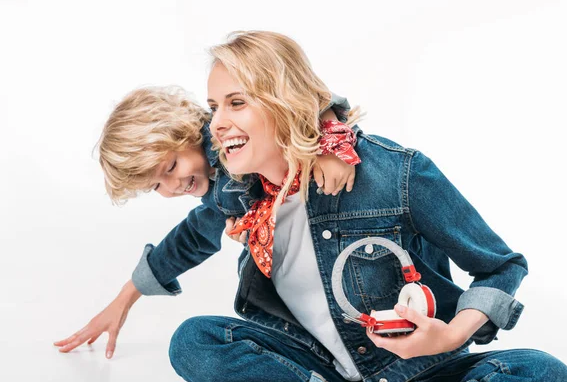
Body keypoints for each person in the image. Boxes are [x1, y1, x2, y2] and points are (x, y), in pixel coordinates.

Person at [159, 31, 567, 382]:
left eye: (237, 102)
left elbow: (501, 266)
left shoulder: (393, 173)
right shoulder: (239, 192)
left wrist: (450, 334)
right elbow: (188, 229)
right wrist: (128, 294)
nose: (218, 123)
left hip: (421, 372)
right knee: (193, 341)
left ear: (284, 102)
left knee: (543, 376)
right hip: (326, 379)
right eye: (214, 107)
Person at [53, 85, 358, 358]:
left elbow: (296, 97)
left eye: (171, 166)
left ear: (188, 133)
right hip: (318, 288)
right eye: (156, 186)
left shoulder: (230, 131)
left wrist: (330, 144)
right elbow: (191, 238)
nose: (173, 186)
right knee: (199, 338)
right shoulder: (220, 196)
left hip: (349, 220)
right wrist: (126, 296)